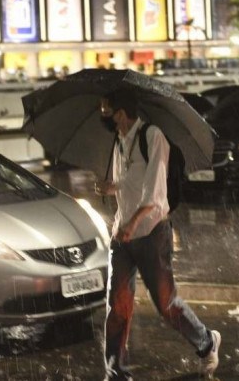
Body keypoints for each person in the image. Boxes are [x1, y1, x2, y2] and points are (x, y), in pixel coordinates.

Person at [95, 89, 221, 380]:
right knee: (118, 305)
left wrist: (133, 223)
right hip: (123, 236)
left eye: (105, 109)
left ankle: (207, 341)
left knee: (165, 304)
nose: (102, 115)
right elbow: (127, 182)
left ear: (121, 113)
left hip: (151, 233)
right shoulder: (119, 141)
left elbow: (155, 193)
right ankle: (115, 371)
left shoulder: (152, 137)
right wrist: (110, 188)